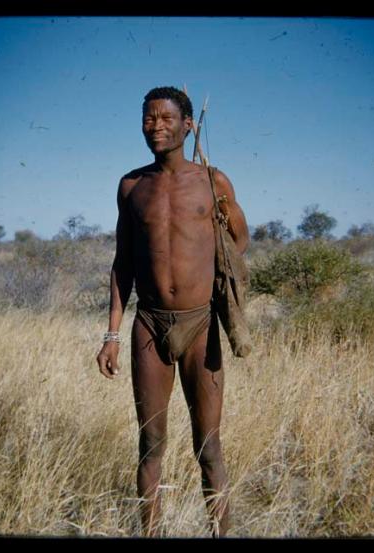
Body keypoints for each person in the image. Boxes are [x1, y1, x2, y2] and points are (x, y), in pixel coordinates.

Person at [96, 86, 249, 538]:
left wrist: (214, 245)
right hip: (149, 324)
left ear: (188, 126)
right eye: (148, 118)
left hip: (200, 323)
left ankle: (221, 532)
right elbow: (123, 263)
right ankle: (151, 533)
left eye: (166, 118)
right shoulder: (131, 186)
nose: (156, 126)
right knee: (150, 445)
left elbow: (238, 243)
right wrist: (111, 334)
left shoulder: (213, 181)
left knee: (210, 446)